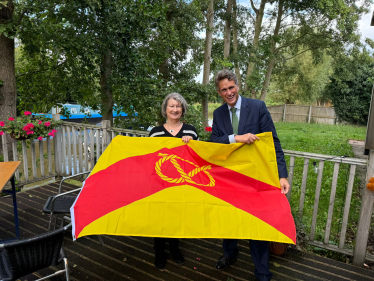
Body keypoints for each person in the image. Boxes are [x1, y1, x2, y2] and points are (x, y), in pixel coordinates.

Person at [210, 69, 290, 281]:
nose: (229, 92)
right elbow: (214, 143)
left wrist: (282, 175)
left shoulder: (257, 107)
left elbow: (273, 142)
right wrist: (236, 138)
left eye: (231, 87)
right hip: (229, 178)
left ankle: (262, 271)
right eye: (224, 90)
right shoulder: (218, 114)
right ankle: (229, 253)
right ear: (219, 92)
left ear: (238, 85)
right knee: (229, 219)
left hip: (256, 178)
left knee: (257, 222)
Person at [148, 92, 199, 270]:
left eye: (178, 106)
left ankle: (175, 249)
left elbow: (197, 159)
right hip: (159, 185)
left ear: (182, 109)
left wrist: (192, 144)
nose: (175, 109)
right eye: (172, 106)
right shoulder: (154, 133)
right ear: (165, 109)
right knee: (159, 219)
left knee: (176, 218)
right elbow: (150, 160)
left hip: (181, 183)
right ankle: (159, 252)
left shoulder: (191, 131)